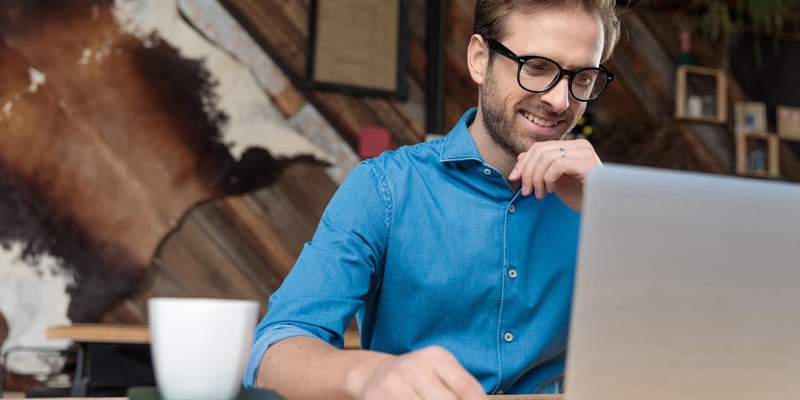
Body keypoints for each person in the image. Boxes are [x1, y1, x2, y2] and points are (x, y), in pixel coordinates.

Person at [244, 0, 621, 398]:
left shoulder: (602, 199)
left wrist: (614, 214)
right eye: (538, 67)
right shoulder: (385, 188)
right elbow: (272, 355)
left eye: (582, 77)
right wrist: (366, 375)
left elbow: (671, 350)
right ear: (479, 59)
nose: (561, 101)